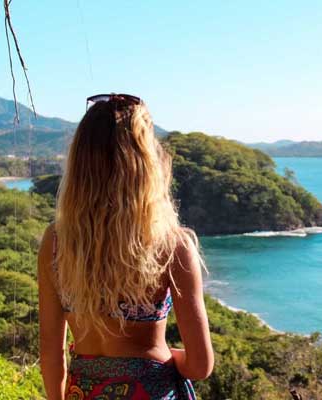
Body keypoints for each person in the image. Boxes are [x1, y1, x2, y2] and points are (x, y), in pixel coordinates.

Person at [37, 94, 213, 400]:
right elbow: (200, 366)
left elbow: (52, 357)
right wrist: (166, 358)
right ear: (146, 164)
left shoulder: (56, 242)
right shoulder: (173, 244)